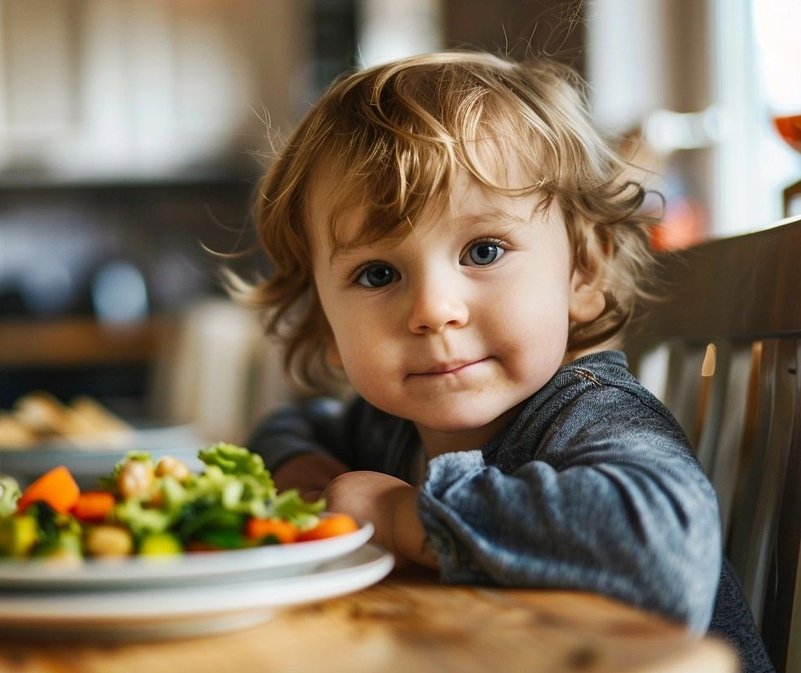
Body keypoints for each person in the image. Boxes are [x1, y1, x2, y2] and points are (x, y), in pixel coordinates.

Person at [232, 52, 771, 672]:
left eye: (483, 250)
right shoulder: (386, 427)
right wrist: (306, 472)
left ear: (583, 271)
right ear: (325, 321)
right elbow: (294, 425)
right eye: (378, 273)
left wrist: (397, 515)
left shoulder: (591, 414)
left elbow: (658, 554)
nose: (434, 310)